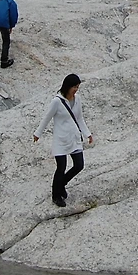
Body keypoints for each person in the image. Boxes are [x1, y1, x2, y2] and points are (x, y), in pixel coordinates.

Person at [33, 73, 93, 207]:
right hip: (61, 139)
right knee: (61, 167)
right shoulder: (57, 101)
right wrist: (38, 133)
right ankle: (56, 195)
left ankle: (61, 184)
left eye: (77, 87)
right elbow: (47, 117)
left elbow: (79, 118)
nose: (76, 90)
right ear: (67, 86)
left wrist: (87, 134)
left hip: (74, 137)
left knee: (79, 165)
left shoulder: (77, 99)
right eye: (74, 87)